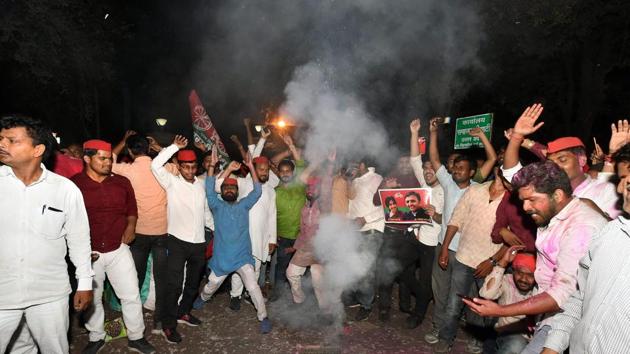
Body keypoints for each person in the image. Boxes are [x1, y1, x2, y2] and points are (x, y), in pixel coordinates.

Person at [464, 161, 607, 354]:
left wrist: (499, 311)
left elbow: (561, 295)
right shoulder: (555, 214)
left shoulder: (580, 227)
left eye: (531, 199)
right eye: (523, 200)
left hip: (568, 321)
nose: (525, 207)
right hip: (549, 317)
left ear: (557, 195)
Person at [0, 115, 93, 354]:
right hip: (3, 294)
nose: (2, 144)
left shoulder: (65, 189)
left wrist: (84, 283)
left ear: (37, 149)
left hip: (49, 294)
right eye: (1, 139)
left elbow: (79, 239)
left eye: (12, 140)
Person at [72, 139, 155, 354]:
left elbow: (132, 208)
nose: (108, 162)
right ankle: (96, 337)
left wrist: (131, 226)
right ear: (87, 158)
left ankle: (136, 337)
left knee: (131, 295)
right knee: (94, 300)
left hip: (118, 249)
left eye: (109, 158)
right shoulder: (73, 185)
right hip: (89, 254)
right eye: (102, 158)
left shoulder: (121, 182)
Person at [541, 156, 630, 354]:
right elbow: (581, 296)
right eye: (621, 179)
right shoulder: (610, 234)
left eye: (628, 183)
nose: (619, 189)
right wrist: (552, 347)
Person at [193, 157, 272, 334]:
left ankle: (264, 317)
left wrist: (251, 166)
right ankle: (203, 298)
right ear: (222, 192)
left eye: (233, 187)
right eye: (226, 187)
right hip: (222, 260)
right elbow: (209, 189)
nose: (229, 189)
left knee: (252, 287)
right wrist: (212, 166)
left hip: (243, 258)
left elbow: (257, 191)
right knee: (211, 286)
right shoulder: (216, 206)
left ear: (237, 191)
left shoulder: (244, 205)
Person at [502, 103, 620, 219]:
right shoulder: (545, 189)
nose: (555, 166)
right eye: (550, 162)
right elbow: (512, 173)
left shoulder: (605, 190)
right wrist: (517, 136)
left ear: (582, 160)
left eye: (562, 160)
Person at [433, 168, 506, 353]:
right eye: (503, 167)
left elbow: (514, 239)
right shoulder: (475, 190)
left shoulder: (513, 199)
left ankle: (480, 340)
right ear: (498, 169)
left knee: (486, 306)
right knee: (454, 303)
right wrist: (444, 249)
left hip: (491, 263)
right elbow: (455, 219)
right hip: (464, 256)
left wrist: (491, 261)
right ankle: (445, 338)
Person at [150, 135, 214, 344]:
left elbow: (205, 211)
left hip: (198, 243)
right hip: (176, 241)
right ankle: (168, 325)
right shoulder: (171, 182)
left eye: (193, 167)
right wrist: (173, 147)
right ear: (179, 166)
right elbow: (155, 164)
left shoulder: (201, 185)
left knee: (193, 283)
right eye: (185, 167)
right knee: (174, 285)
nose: (189, 171)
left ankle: (183, 312)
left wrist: (213, 231)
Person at [425, 116, 478, 344]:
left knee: (464, 296)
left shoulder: (478, 190)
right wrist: (433, 132)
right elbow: (435, 158)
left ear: (472, 172)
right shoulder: (447, 184)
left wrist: (483, 138)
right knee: (440, 292)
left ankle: (472, 336)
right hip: (442, 247)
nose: (455, 171)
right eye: (454, 168)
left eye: (461, 168)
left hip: (466, 252)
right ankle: (439, 328)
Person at [111, 131, 169, 333]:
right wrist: (159, 148)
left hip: (138, 233)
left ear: (130, 151)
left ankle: (132, 322)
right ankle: (160, 321)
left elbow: (108, 160)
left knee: (134, 277)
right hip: (162, 232)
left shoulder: (128, 170)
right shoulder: (162, 167)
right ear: (148, 148)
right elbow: (178, 167)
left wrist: (122, 141)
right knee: (162, 278)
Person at [213, 154, 278, 311]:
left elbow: (272, 215)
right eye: (261, 170)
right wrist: (228, 169)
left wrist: (272, 239)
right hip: (242, 235)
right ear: (253, 170)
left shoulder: (270, 191)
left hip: (261, 235)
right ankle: (235, 295)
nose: (264, 173)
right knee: (239, 266)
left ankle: (250, 294)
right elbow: (217, 186)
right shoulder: (243, 183)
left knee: (254, 266)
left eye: (266, 170)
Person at [347, 157, 385, 321]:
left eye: (355, 164)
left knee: (367, 270)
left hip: (371, 230)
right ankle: (358, 297)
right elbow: (351, 206)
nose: (352, 167)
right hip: (355, 231)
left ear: (362, 165)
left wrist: (365, 218)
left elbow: (385, 206)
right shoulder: (356, 181)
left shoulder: (377, 179)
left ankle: (367, 304)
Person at [479, 249, 537, 354]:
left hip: (534, 339)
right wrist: (502, 264)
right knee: (516, 345)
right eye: (520, 273)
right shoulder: (508, 281)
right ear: (513, 271)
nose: (524, 279)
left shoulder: (541, 289)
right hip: (507, 334)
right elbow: (486, 294)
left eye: (530, 275)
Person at [286, 177, 329, 311]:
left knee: (318, 280)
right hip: (306, 247)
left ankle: (325, 310)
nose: (311, 191)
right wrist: (295, 247)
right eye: (309, 188)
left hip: (322, 248)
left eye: (314, 188)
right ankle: (299, 300)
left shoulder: (325, 205)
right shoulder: (304, 208)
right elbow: (302, 232)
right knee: (291, 272)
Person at [272, 135, 306, 300]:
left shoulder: (300, 185)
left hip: (302, 235)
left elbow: (300, 164)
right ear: (279, 173)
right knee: (281, 267)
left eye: (288, 171)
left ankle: (302, 296)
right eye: (282, 171)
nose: (285, 173)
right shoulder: (275, 191)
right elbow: (271, 216)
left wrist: (292, 146)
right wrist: (273, 234)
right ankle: (278, 295)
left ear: (292, 173)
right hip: (283, 236)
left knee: (302, 268)